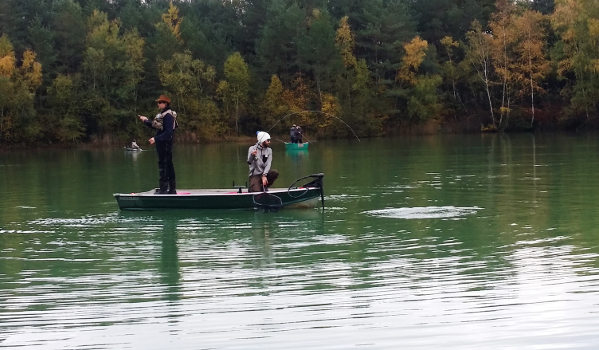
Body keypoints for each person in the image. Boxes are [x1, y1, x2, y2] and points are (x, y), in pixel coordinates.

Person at [138, 95, 177, 194]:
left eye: (160, 102)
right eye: (158, 102)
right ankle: (169, 189)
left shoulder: (168, 115)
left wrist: (155, 138)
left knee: (164, 165)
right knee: (167, 165)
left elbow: (168, 132)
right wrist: (146, 121)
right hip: (163, 144)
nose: (158, 104)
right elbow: (156, 126)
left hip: (165, 144)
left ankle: (164, 189)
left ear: (165, 104)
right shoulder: (163, 114)